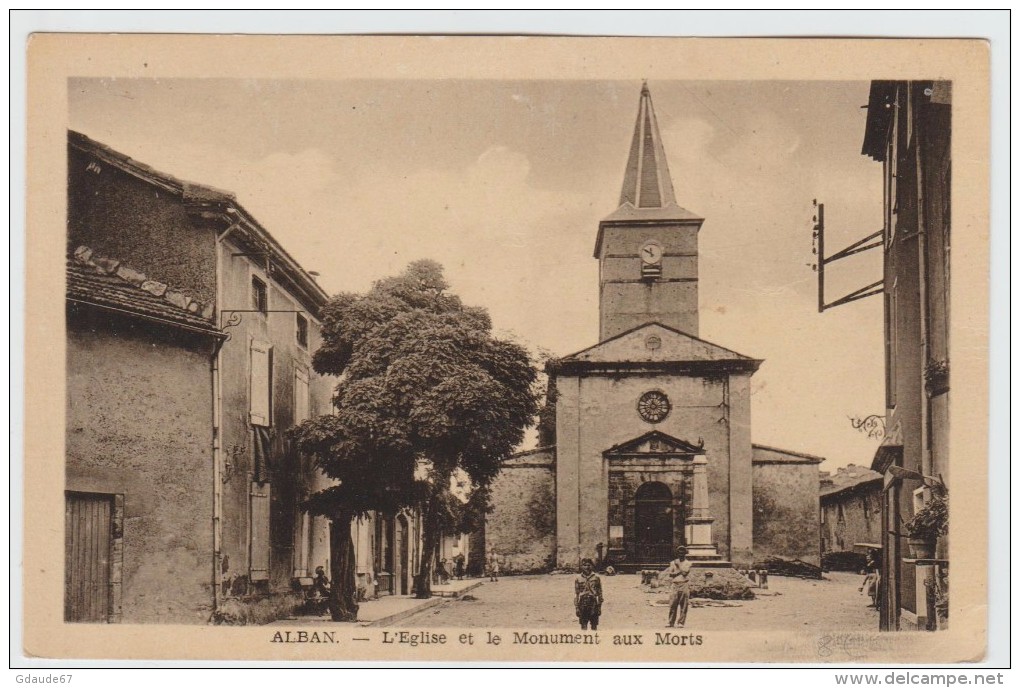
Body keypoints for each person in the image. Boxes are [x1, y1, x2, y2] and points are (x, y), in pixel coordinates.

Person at [663, 546, 692, 628]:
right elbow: (670, 574)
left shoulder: (688, 563)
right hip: (675, 584)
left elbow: (685, 574)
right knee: (672, 604)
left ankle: (681, 622)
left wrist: (678, 566)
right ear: (677, 553)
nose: (681, 554)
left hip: (684, 584)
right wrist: (680, 571)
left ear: (685, 553)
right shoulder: (672, 563)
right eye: (679, 552)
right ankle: (670, 622)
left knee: (684, 604)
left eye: (683, 552)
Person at [574, 558, 604, 631]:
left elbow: (600, 593)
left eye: (589, 565)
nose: (587, 567)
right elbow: (576, 594)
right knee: (583, 625)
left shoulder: (596, 577)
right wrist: (577, 608)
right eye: (584, 565)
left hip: (593, 602)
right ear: (582, 566)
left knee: (594, 625)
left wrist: (599, 607)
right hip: (582, 602)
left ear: (592, 566)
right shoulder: (578, 578)